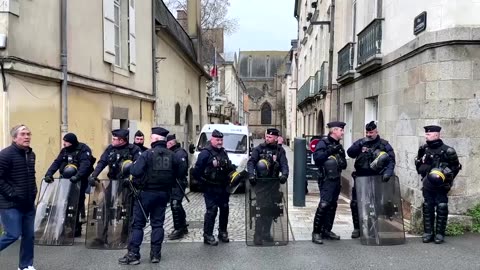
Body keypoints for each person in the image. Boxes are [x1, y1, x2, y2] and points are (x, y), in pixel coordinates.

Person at [119, 127, 183, 265]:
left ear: (154, 139)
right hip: (163, 195)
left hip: (145, 194)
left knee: (137, 225)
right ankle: (155, 255)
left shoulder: (147, 154)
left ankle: (133, 254)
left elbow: (135, 171)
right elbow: (180, 172)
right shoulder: (172, 155)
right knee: (157, 224)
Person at [87, 129, 141, 247]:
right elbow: (102, 162)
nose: (112, 140)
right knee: (104, 206)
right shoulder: (110, 149)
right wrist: (94, 175)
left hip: (127, 183)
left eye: (114, 139)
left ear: (121, 140)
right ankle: (101, 237)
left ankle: (125, 237)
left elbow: (138, 167)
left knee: (127, 209)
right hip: (113, 181)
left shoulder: (134, 150)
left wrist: (132, 179)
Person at [346, 121, 396, 239]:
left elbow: (391, 160)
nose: (369, 134)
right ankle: (357, 228)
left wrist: (388, 173)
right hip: (360, 178)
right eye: (367, 132)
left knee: (373, 205)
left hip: (375, 178)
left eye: (371, 132)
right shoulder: (361, 142)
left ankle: (371, 229)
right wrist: (359, 145)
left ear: (376, 132)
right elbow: (350, 153)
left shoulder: (384, 144)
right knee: (355, 204)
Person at [415, 125, 461, 244]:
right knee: (427, 206)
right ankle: (428, 232)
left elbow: (456, 167)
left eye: (429, 134)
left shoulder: (448, 151)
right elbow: (418, 163)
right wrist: (423, 171)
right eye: (426, 134)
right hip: (427, 184)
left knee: (441, 207)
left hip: (441, 185)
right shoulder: (423, 149)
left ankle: (440, 234)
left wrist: (448, 179)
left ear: (436, 135)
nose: (426, 136)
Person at [44, 133, 95, 237]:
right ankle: (65, 224)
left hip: (79, 180)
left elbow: (85, 164)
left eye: (66, 142)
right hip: (66, 181)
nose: (64, 143)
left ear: (72, 142)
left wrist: (78, 176)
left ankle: (77, 226)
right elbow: (57, 162)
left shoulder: (83, 149)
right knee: (64, 201)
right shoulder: (65, 151)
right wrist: (49, 174)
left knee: (77, 202)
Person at [0, 124, 37, 270]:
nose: (27, 137)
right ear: (14, 138)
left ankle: (26, 266)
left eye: (28, 134)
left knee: (29, 236)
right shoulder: (5, 154)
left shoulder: (31, 154)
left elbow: (31, 176)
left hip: (28, 203)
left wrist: (34, 191)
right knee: (12, 234)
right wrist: (12, 194)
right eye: (23, 134)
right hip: (10, 204)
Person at [192, 129, 235, 245]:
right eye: (217, 140)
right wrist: (203, 183)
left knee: (225, 209)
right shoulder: (205, 154)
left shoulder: (223, 152)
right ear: (212, 139)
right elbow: (196, 172)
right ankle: (208, 235)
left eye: (221, 140)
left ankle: (222, 232)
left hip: (223, 187)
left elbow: (228, 167)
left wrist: (235, 171)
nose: (220, 142)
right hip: (210, 188)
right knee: (212, 211)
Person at [247, 128, 289, 245]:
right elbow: (251, 162)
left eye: (270, 137)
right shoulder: (259, 149)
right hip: (261, 184)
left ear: (276, 138)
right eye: (267, 136)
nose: (267, 138)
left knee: (271, 210)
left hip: (273, 184)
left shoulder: (280, 151)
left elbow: (284, 164)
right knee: (261, 209)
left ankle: (266, 233)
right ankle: (258, 235)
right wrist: (251, 174)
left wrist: (284, 175)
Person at [311, 121, 347, 245]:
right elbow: (317, 159)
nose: (342, 132)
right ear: (334, 130)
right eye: (341, 130)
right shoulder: (323, 143)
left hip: (336, 178)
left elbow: (344, 164)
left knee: (332, 205)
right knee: (324, 204)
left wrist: (341, 157)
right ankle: (316, 232)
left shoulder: (339, 145)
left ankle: (327, 230)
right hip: (326, 179)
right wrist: (330, 151)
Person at [166, 134, 189, 240]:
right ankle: (183, 226)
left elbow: (182, 168)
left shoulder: (179, 153)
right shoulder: (172, 152)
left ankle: (178, 229)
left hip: (178, 182)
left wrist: (174, 175)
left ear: (171, 143)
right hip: (173, 182)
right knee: (177, 204)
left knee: (175, 204)